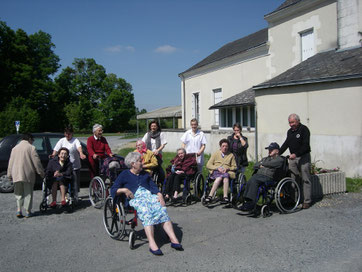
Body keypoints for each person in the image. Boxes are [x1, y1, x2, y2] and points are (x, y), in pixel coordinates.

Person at [110, 152, 183, 256]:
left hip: (149, 197)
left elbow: (153, 186)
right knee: (146, 211)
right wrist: (124, 190)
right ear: (133, 164)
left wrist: (160, 195)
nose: (142, 162)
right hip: (135, 199)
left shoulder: (145, 174)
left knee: (161, 208)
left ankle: (173, 239)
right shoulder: (124, 174)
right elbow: (113, 190)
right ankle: (152, 244)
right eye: (140, 161)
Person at [239, 142, 284, 212]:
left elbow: (270, 164)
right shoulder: (265, 158)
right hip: (259, 176)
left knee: (254, 180)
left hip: (268, 177)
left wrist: (262, 164)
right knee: (249, 181)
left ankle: (251, 203)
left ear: (277, 151)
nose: (269, 151)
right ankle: (247, 201)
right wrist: (261, 165)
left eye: (271, 150)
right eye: (269, 149)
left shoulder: (279, 159)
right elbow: (255, 165)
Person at [7, 133, 45, 218]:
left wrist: (9, 174)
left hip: (16, 174)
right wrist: (41, 173)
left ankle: (19, 210)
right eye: (32, 140)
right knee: (28, 193)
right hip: (28, 174)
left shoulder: (15, 148)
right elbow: (37, 162)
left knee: (18, 193)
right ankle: (28, 211)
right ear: (30, 139)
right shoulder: (31, 148)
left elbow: (11, 162)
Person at [279, 113, 312, 209]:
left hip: (303, 157)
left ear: (298, 121)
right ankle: (294, 200)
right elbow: (286, 143)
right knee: (293, 179)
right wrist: (278, 153)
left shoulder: (304, 130)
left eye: (293, 122)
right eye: (289, 123)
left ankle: (307, 201)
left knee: (305, 179)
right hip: (292, 158)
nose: (291, 124)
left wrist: (296, 154)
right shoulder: (290, 132)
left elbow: (306, 146)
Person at [51, 126, 86, 201]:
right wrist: (53, 155)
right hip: (65, 166)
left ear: (72, 133)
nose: (67, 135)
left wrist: (81, 153)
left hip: (74, 165)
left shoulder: (75, 140)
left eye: (69, 134)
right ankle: (65, 196)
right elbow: (56, 149)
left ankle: (75, 195)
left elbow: (79, 147)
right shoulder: (62, 140)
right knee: (64, 181)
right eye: (66, 134)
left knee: (75, 182)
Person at [205, 139, 237, 204]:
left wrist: (228, 168)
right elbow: (208, 165)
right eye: (223, 146)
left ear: (228, 147)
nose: (225, 148)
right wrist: (217, 168)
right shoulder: (216, 154)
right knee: (219, 178)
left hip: (226, 172)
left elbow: (235, 167)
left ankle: (225, 196)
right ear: (220, 146)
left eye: (226, 146)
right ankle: (210, 196)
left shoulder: (231, 155)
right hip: (217, 171)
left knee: (225, 177)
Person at [142, 120, 166, 186]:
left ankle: (162, 180)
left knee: (157, 166)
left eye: (155, 126)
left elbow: (163, 144)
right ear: (150, 127)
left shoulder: (161, 134)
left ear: (157, 127)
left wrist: (157, 150)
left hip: (157, 154)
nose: (153, 127)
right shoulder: (147, 134)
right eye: (152, 126)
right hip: (148, 154)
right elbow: (143, 143)